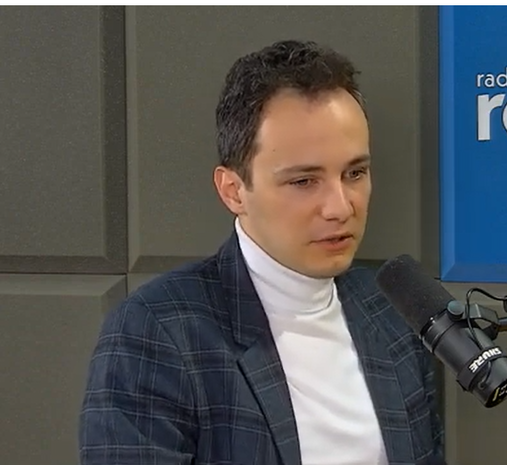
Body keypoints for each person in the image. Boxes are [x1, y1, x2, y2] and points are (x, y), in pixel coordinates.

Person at [78, 39, 446, 465]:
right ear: (233, 191)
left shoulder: (390, 311)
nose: (340, 207)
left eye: (355, 173)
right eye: (304, 181)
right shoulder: (157, 331)